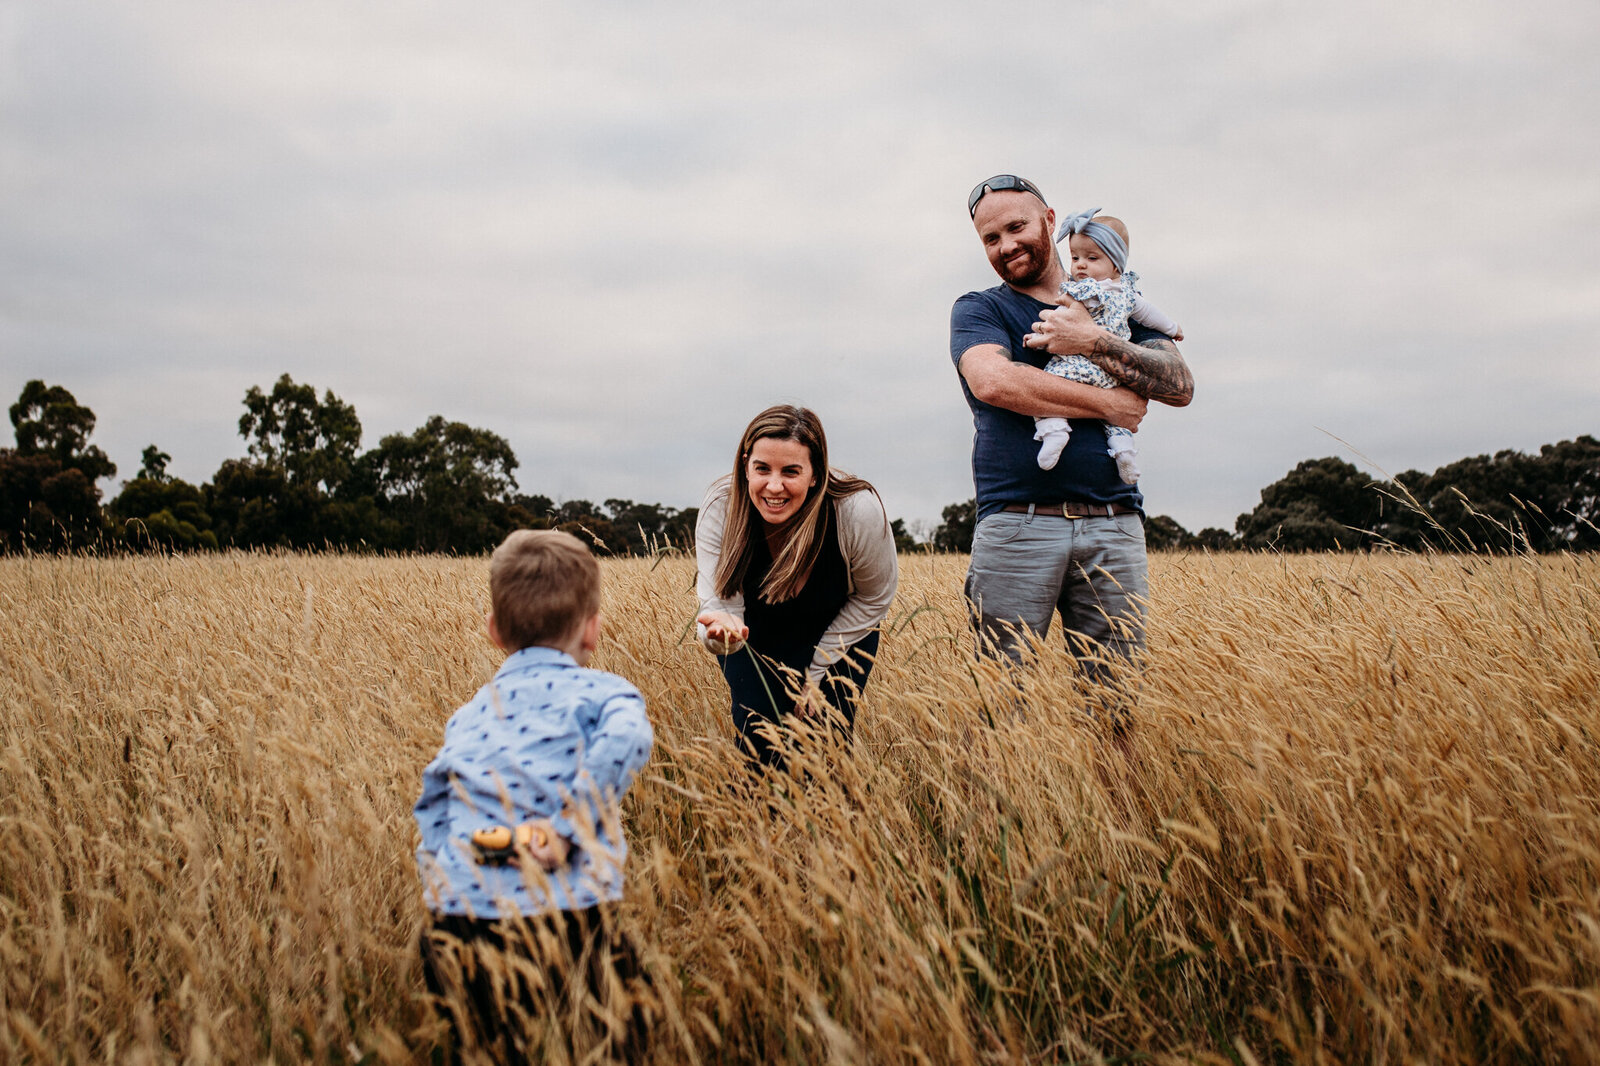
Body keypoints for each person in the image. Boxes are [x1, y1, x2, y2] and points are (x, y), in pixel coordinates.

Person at [951, 174, 1193, 726]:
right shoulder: (979, 309)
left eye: (1016, 227)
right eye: (991, 239)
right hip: (1017, 523)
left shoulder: (1114, 297)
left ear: (1050, 220)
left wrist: (1092, 341)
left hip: (1114, 522)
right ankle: (1006, 813)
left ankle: (1115, 811)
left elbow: (1178, 385)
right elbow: (996, 383)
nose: (1006, 245)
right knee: (1000, 711)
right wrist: (1112, 405)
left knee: (1115, 710)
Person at [414, 529, 655, 1063]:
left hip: (459, 915)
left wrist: (446, 880)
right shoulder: (606, 694)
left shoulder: (470, 714)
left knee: (480, 1046)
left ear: (494, 630)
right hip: (572, 909)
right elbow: (628, 739)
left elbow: (434, 802)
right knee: (618, 1033)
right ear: (593, 630)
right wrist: (568, 828)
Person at [694, 405, 898, 772]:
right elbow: (719, 607)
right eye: (762, 469)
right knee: (758, 742)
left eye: (791, 471)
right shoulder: (721, 508)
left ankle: (830, 825)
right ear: (745, 465)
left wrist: (818, 671)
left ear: (816, 474)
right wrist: (720, 638)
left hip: (841, 632)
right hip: (751, 633)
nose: (774, 486)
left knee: (825, 743)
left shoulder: (856, 510)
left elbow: (874, 597)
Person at [1033, 208, 1184, 481]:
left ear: (1116, 264)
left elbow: (1062, 324)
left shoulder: (1084, 292)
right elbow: (1149, 314)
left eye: (1092, 258)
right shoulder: (1124, 294)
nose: (1080, 265)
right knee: (1112, 417)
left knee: (1048, 386)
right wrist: (1172, 328)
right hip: (1110, 374)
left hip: (1079, 366)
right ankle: (1118, 450)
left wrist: (1039, 335)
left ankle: (1059, 432)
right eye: (1075, 257)